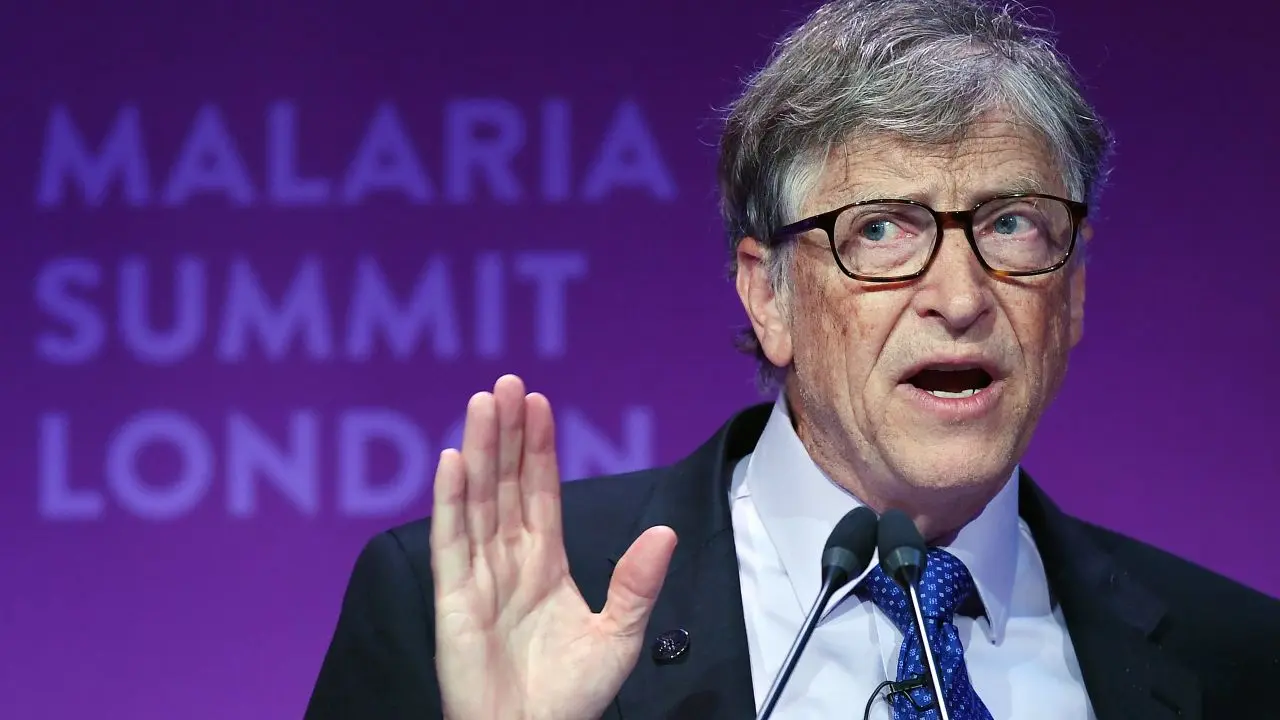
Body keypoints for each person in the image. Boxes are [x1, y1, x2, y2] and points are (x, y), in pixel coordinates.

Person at [304, 0, 1280, 718]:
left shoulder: (1238, 659)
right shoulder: (470, 610)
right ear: (767, 294)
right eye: (881, 230)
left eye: (1012, 224)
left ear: (1071, 290)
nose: (960, 296)